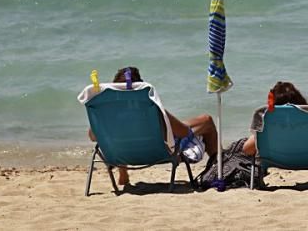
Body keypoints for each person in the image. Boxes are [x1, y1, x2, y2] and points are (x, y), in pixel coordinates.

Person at [87, 66, 217, 187]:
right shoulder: (151, 109)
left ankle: (123, 172)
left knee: (124, 133)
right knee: (207, 121)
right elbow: (183, 132)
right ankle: (218, 167)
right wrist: (165, 116)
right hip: (158, 154)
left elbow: (93, 137)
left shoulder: (106, 114)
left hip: (119, 155)